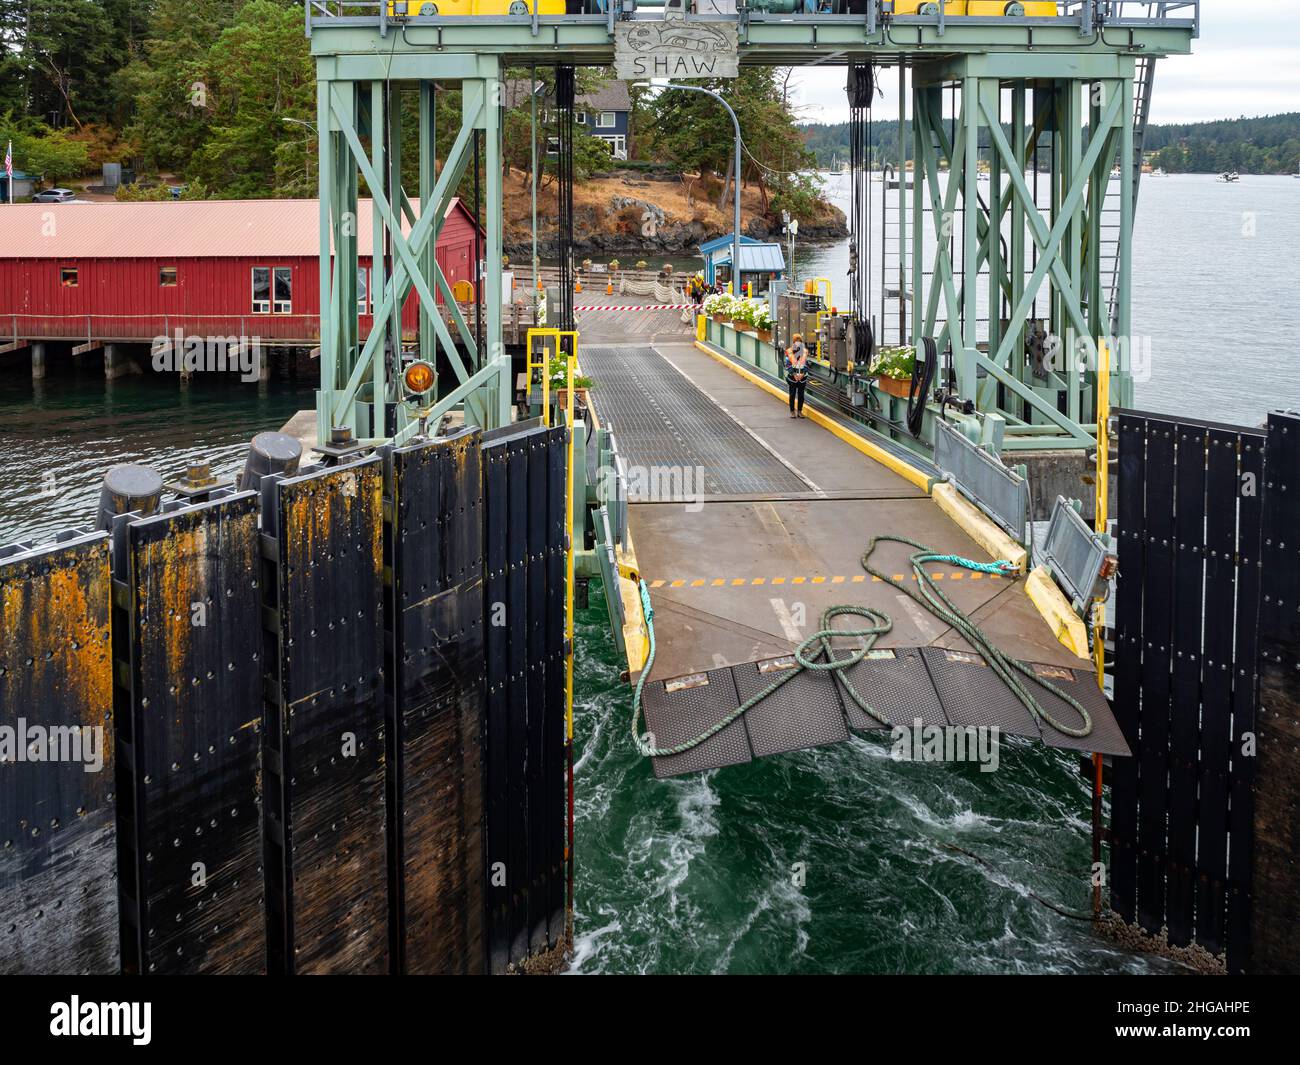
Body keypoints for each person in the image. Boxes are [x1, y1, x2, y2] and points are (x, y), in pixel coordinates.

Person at [785, 334, 808, 418]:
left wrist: (803, 373)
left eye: (799, 341)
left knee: (801, 395)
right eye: (796, 341)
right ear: (793, 342)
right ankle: (792, 411)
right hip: (792, 378)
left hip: (802, 378)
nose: (798, 343)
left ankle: (799, 411)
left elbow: (806, 364)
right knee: (792, 395)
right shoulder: (789, 351)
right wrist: (794, 374)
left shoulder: (805, 351)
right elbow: (787, 365)